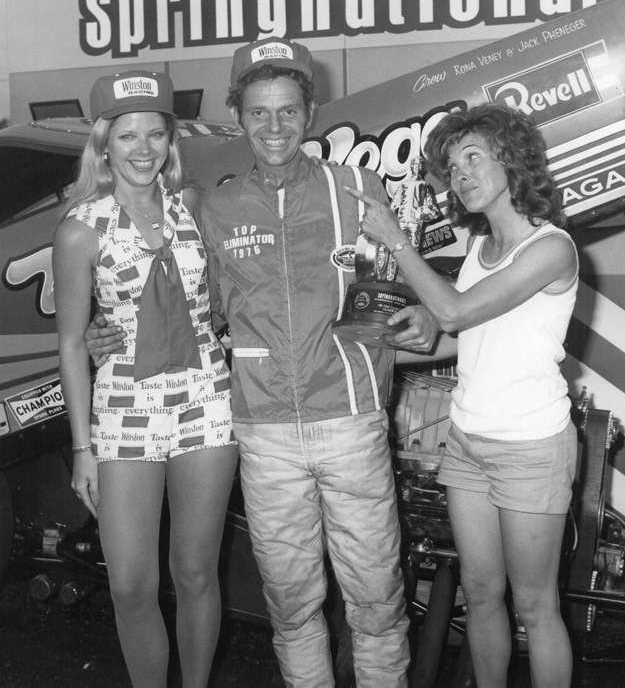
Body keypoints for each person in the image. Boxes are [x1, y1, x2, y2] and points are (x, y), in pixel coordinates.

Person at [84, 38, 440, 687]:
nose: (273, 127)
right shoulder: (217, 208)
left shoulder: (357, 189)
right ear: (237, 117)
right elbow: (197, 312)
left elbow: (389, 295)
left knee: (376, 601)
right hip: (262, 432)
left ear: (310, 112)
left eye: (287, 111)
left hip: (350, 422)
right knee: (292, 608)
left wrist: (415, 316)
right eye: (257, 112)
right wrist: (104, 333)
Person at [345, 102, 579, 688]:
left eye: (473, 157)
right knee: (479, 592)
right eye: (452, 167)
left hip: (530, 447)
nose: (460, 174)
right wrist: (370, 349)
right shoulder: (481, 246)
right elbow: (462, 335)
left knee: (535, 607)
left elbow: (453, 312)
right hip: (468, 440)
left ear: (512, 160)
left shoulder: (552, 249)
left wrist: (397, 241)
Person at [52, 70, 237, 688]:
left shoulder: (197, 208)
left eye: (155, 134)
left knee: (196, 573)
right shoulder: (80, 229)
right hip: (124, 412)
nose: (142, 148)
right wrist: (83, 448)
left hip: (206, 403)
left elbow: (228, 302)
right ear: (103, 145)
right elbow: (71, 342)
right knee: (131, 585)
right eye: (127, 135)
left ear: (170, 141)